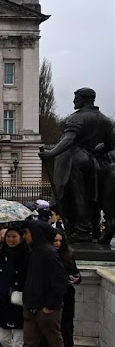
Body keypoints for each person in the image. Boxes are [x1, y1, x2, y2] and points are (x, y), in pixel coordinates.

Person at [39, 87, 115, 242]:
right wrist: (94, 150)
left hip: (74, 158)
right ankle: (89, 229)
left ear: (84, 99)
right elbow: (110, 145)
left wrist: (51, 153)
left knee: (77, 195)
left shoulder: (77, 117)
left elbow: (68, 140)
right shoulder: (105, 120)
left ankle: (81, 231)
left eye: (76, 98)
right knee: (90, 197)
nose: (74, 101)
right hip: (91, 161)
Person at [7, 220, 72, 347]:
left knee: (55, 343)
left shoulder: (48, 253)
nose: (25, 236)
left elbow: (60, 282)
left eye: (27, 233)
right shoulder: (34, 251)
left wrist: (49, 307)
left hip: (46, 309)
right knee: (29, 344)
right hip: (31, 306)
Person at [39, 229, 80, 347]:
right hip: (49, 293)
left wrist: (76, 278)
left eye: (60, 241)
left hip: (66, 294)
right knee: (48, 324)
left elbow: (75, 272)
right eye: (55, 240)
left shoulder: (68, 255)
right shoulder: (44, 255)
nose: (57, 243)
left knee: (67, 325)